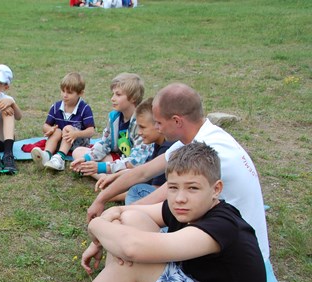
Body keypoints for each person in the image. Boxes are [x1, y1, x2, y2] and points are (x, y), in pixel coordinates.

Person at [7, 142, 267, 282]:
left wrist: (96, 226)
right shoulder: (185, 207)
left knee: (136, 255)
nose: (180, 198)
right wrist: (110, 219)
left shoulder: (223, 225)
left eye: (192, 188)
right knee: (130, 222)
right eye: (173, 187)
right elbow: (128, 214)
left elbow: (132, 248)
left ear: (216, 189)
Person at [87, 83, 270, 260]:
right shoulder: (202, 136)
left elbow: (158, 197)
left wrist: (109, 224)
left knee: (132, 224)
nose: (157, 128)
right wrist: (101, 199)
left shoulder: (207, 151)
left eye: (159, 122)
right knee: (132, 215)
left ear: (176, 121)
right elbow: (143, 172)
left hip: (234, 248)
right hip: (221, 230)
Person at [70, 73, 152, 182]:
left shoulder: (141, 123)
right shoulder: (114, 118)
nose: (112, 98)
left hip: (135, 167)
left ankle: (108, 180)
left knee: (130, 173)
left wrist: (101, 167)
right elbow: (105, 144)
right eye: (113, 94)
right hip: (119, 160)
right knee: (78, 152)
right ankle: (106, 179)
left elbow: (135, 162)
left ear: (133, 98)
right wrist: (86, 159)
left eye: (118, 94)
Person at [31, 72, 95, 172]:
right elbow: (45, 125)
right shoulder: (56, 107)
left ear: (80, 93)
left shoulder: (85, 108)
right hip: (60, 141)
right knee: (57, 131)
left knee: (67, 128)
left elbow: (91, 131)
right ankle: (47, 155)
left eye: (69, 92)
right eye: (63, 91)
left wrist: (76, 134)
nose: (65, 95)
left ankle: (60, 159)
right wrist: (50, 129)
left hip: (79, 144)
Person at [122, 98, 173, 205]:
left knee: (137, 190)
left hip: (167, 198)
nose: (139, 132)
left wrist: (112, 196)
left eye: (142, 127)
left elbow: (156, 189)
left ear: (158, 125)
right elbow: (143, 172)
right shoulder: (158, 143)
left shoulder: (167, 148)